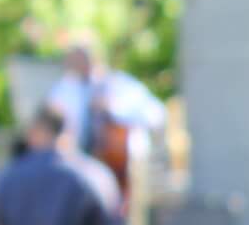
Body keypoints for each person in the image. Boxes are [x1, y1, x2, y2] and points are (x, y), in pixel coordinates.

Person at [45, 35, 168, 208]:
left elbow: (156, 114)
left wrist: (114, 110)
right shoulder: (64, 90)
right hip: (79, 168)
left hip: (123, 170)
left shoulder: (120, 85)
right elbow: (51, 125)